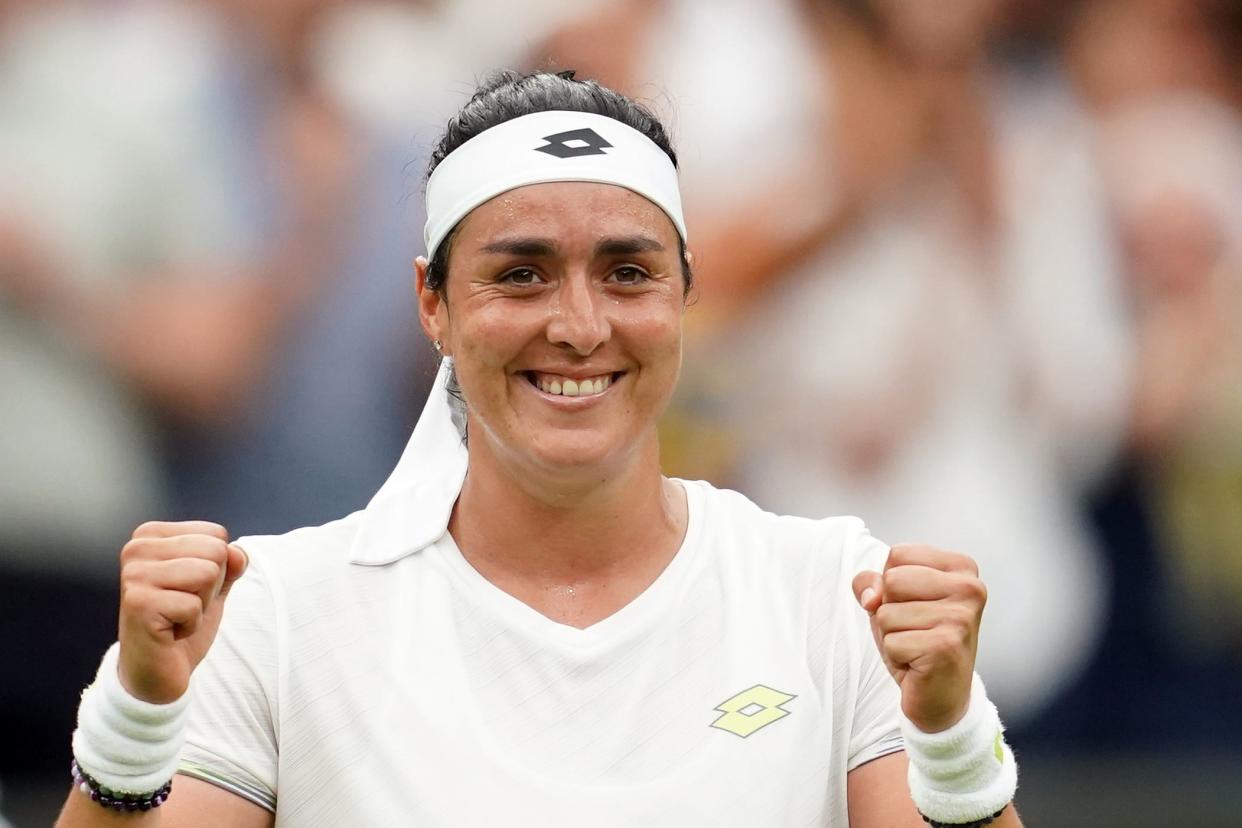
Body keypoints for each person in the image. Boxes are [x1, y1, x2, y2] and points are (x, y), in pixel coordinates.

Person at [56, 70, 1022, 827]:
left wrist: (952, 745)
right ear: (432, 302)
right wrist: (136, 721)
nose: (578, 324)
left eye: (628, 272)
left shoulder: (835, 596)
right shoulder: (266, 611)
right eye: (520, 274)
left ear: (684, 295)